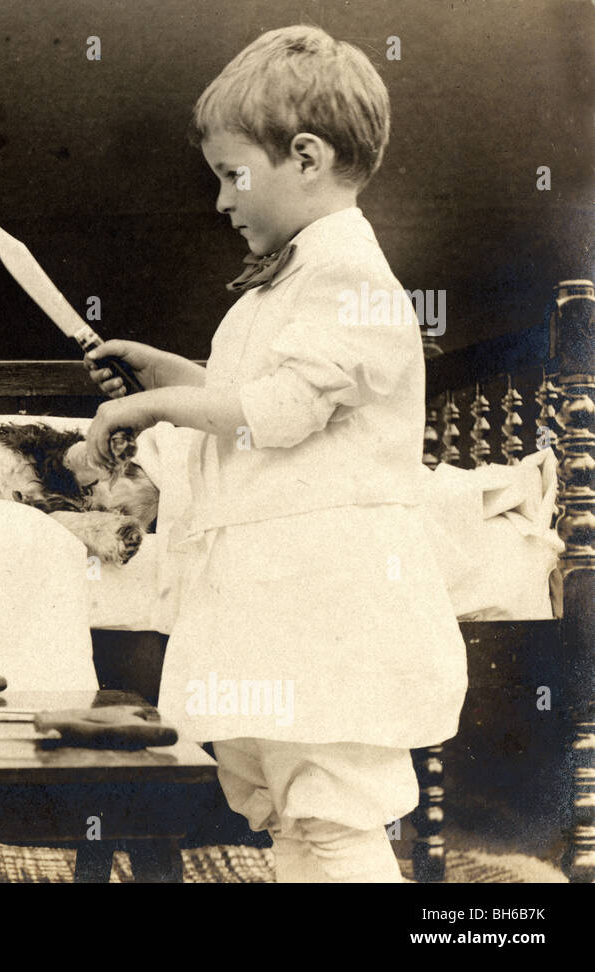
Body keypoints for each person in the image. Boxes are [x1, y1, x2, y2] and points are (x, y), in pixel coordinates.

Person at [83, 26, 466, 882]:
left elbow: (278, 412)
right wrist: (171, 372)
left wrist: (154, 403)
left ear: (305, 156)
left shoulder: (349, 277)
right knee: (293, 816)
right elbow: (247, 397)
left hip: (327, 603)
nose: (221, 201)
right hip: (272, 597)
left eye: (230, 174)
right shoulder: (292, 280)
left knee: (330, 813)